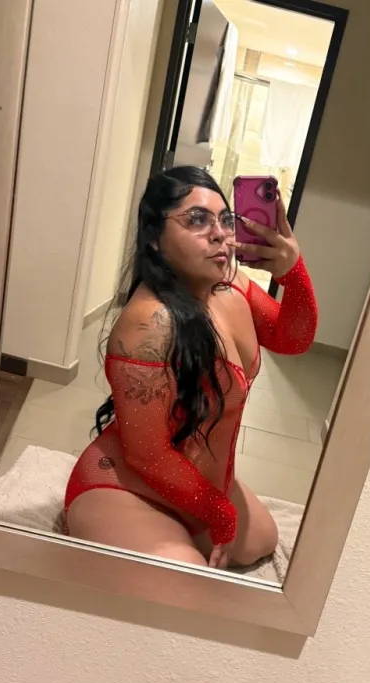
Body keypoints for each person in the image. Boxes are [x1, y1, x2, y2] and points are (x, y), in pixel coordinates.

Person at [65, 166, 317, 570]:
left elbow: (292, 338)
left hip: (193, 481)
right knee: (186, 577)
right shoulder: (149, 323)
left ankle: (188, 520)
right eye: (197, 219)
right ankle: (96, 519)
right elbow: (147, 455)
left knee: (262, 540)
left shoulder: (232, 285)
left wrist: (293, 271)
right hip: (129, 485)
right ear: (153, 237)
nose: (220, 234)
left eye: (225, 219)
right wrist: (221, 514)